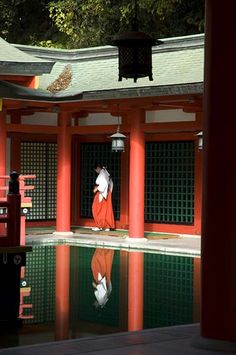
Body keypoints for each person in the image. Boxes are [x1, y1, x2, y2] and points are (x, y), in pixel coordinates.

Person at [92, 163, 115, 232]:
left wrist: (97, 189)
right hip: (107, 193)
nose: (96, 171)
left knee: (96, 209)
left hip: (101, 193)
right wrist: (109, 192)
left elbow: (104, 184)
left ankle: (100, 226)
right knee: (106, 210)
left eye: (96, 170)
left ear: (98, 168)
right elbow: (110, 182)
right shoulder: (106, 173)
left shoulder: (102, 174)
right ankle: (106, 226)